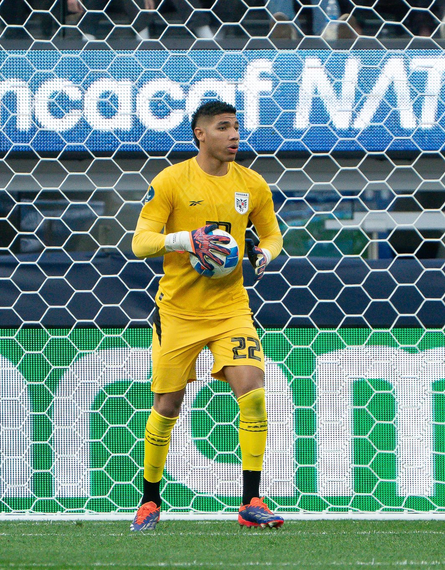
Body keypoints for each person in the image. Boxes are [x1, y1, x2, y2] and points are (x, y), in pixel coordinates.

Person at [130, 100, 284, 531]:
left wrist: (264, 253)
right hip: (178, 311)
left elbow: (272, 233)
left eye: (236, 127)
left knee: (252, 390)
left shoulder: (252, 184)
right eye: (223, 127)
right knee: (167, 404)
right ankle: (150, 500)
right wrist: (186, 239)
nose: (234, 135)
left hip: (230, 307)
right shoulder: (172, 181)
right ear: (200, 134)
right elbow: (141, 242)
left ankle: (251, 501)